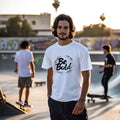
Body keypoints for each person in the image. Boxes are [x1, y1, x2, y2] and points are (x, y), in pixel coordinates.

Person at [42, 14, 92, 120]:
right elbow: (50, 74)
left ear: (70, 30)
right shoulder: (50, 51)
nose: (62, 31)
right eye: (59, 27)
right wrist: (49, 97)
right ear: (55, 29)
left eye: (65, 28)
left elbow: (87, 77)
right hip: (55, 102)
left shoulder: (81, 50)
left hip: (75, 101)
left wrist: (82, 100)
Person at [15, 41, 35, 107]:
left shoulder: (17, 53)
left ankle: (20, 100)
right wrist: (33, 72)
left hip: (21, 74)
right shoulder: (29, 53)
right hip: (28, 73)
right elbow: (31, 63)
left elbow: (16, 63)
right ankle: (26, 102)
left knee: (21, 87)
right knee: (28, 87)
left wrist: (17, 70)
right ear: (27, 46)